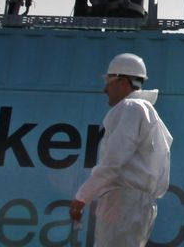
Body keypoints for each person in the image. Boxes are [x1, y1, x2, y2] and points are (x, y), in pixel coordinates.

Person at [70, 53, 173, 247]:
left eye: (109, 81)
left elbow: (113, 161)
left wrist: (82, 196)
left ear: (123, 82)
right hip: (142, 203)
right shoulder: (150, 114)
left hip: (123, 202)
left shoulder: (130, 107)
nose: (104, 89)